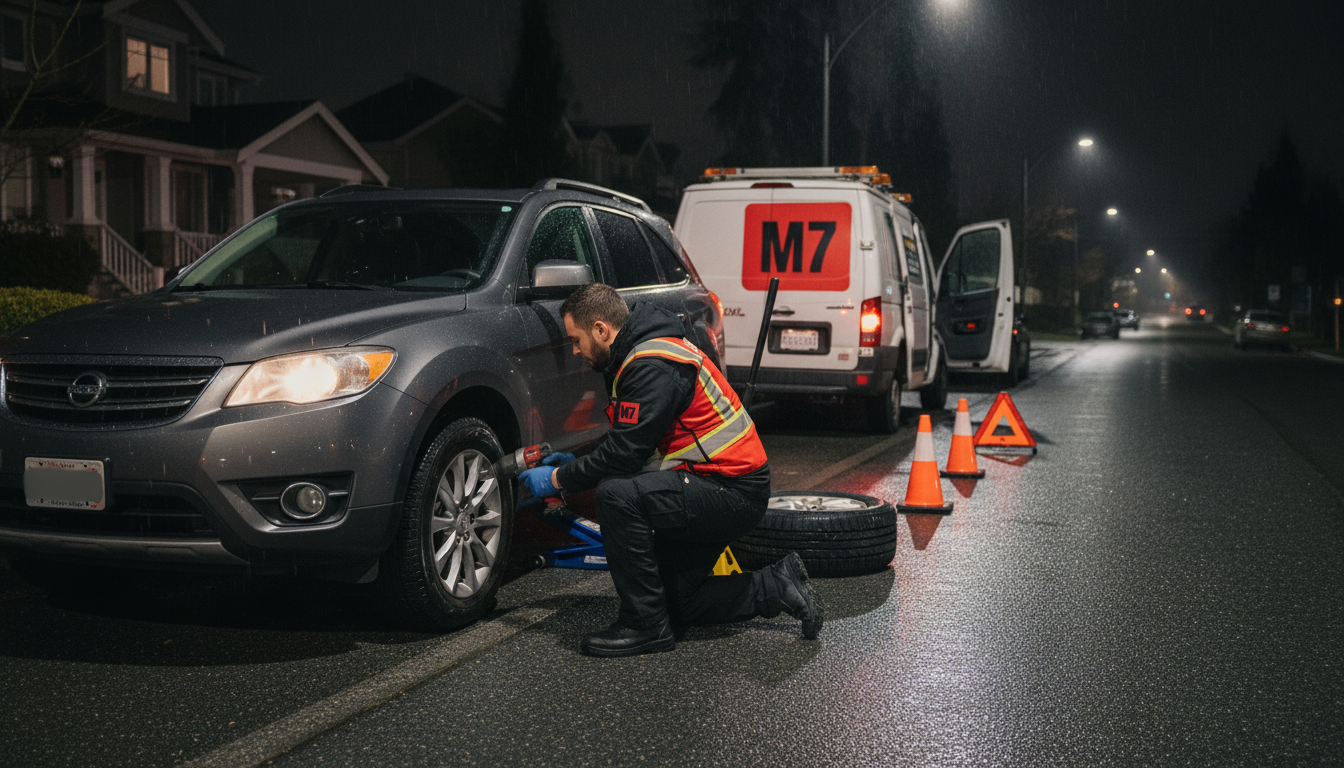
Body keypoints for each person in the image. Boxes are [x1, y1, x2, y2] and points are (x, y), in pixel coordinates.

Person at [520, 283, 823, 657]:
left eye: (577, 339)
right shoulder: (639, 356)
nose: (576, 350)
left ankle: (644, 627)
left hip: (729, 491)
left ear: (601, 329)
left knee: (615, 493)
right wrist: (576, 461)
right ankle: (776, 586)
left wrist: (556, 479)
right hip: (711, 485)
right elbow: (631, 436)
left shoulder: (651, 364)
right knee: (675, 600)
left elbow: (624, 455)